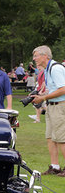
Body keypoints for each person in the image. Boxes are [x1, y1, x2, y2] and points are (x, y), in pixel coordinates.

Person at [31, 45, 65, 176]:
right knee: (50, 137)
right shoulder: (47, 69)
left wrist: (43, 97)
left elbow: (63, 89)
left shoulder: (55, 68)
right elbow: (55, 88)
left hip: (60, 106)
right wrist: (40, 94)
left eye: (36, 56)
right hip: (52, 106)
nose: (34, 59)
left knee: (62, 138)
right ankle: (55, 166)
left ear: (45, 56)